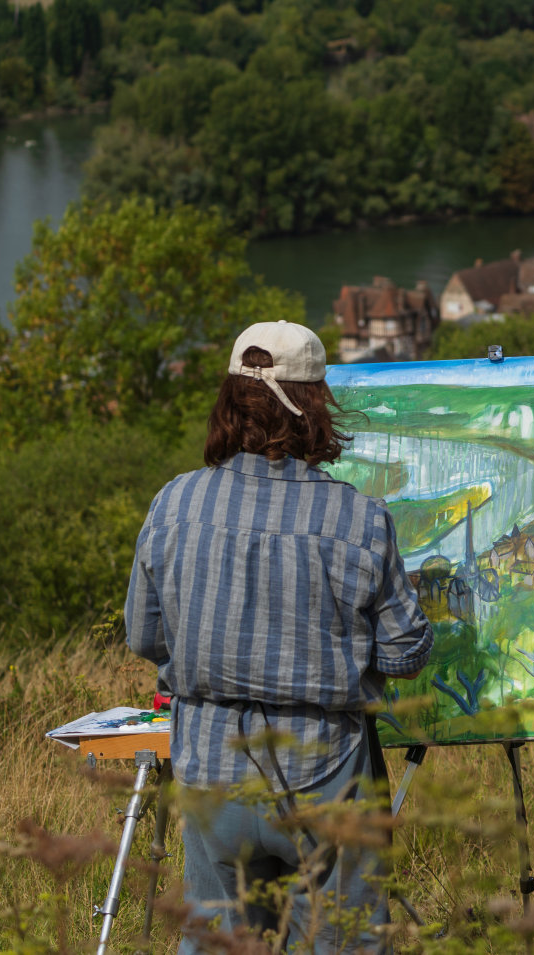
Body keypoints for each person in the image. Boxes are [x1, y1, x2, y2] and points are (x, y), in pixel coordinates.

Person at [125, 320, 433, 951]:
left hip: (209, 763)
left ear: (230, 399)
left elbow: (144, 634)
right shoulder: (359, 517)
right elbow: (404, 653)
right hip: (324, 769)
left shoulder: (175, 502)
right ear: (314, 405)